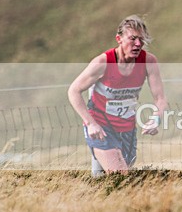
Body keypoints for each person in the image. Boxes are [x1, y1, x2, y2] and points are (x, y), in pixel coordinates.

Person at [68, 15, 168, 174]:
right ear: (119, 39)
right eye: (132, 39)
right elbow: (73, 91)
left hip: (127, 127)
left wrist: (156, 119)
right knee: (121, 176)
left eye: (141, 40)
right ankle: (99, 153)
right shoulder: (103, 62)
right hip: (101, 124)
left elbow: (160, 99)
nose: (137, 44)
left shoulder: (149, 61)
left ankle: (95, 176)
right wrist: (91, 123)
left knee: (114, 177)